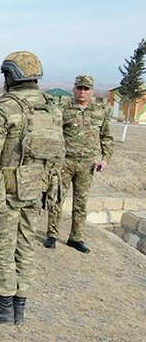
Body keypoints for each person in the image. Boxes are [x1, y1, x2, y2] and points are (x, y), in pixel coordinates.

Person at [0, 51, 64, 325]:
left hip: (6, 190)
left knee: (2, 248)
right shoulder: (51, 107)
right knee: (25, 246)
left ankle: (2, 306)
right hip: (36, 187)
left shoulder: (6, 107)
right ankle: (19, 306)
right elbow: (58, 153)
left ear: (10, 76)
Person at [44, 74, 113, 253]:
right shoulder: (63, 110)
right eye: (79, 88)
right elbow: (53, 134)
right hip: (65, 163)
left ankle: (75, 238)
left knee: (80, 203)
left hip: (87, 165)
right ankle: (51, 234)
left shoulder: (100, 112)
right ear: (74, 89)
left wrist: (105, 158)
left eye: (86, 89)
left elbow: (106, 137)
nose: (82, 92)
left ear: (92, 91)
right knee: (56, 198)